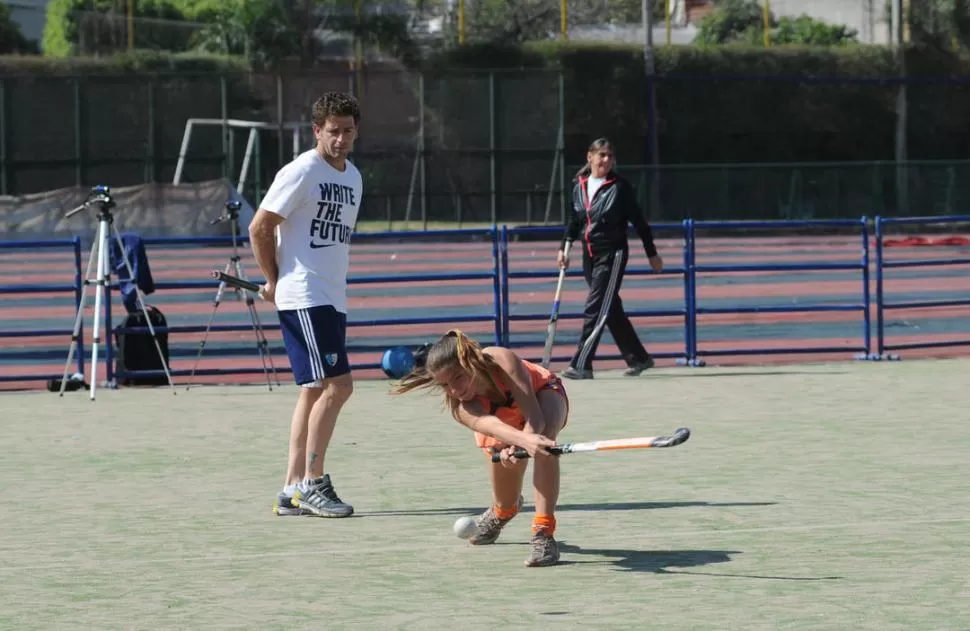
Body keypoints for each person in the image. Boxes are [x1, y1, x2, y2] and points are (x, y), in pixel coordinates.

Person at [248, 92, 362, 518]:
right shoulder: (300, 171)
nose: (341, 139)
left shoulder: (354, 177)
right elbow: (260, 227)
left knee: (314, 390)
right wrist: (275, 282)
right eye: (333, 131)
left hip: (332, 296)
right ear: (317, 131)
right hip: (306, 296)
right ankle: (313, 484)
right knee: (340, 386)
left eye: (348, 131)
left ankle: (291, 488)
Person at [392, 330, 569, 567]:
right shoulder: (462, 407)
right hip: (503, 424)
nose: (454, 390)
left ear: (470, 362)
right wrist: (515, 447)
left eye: (457, 377)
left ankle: (543, 532)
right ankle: (502, 512)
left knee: (545, 444)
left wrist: (527, 443)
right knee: (506, 501)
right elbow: (494, 427)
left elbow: (535, 419)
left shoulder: (502, 359)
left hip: (543, 394)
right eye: (445, 385)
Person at [558, 137, 664, 380]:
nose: (606, 160)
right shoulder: (579, 186)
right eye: (601, 155)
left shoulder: (620, 187)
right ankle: (639, 357)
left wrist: (652, 254)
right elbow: (573, 222)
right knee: (610, 308)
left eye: (610, 156)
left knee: (595, 307)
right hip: (589, 255)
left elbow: (640, 222)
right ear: (590, 157)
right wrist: (564, 248)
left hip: (612, 254)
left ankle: (582, 364)